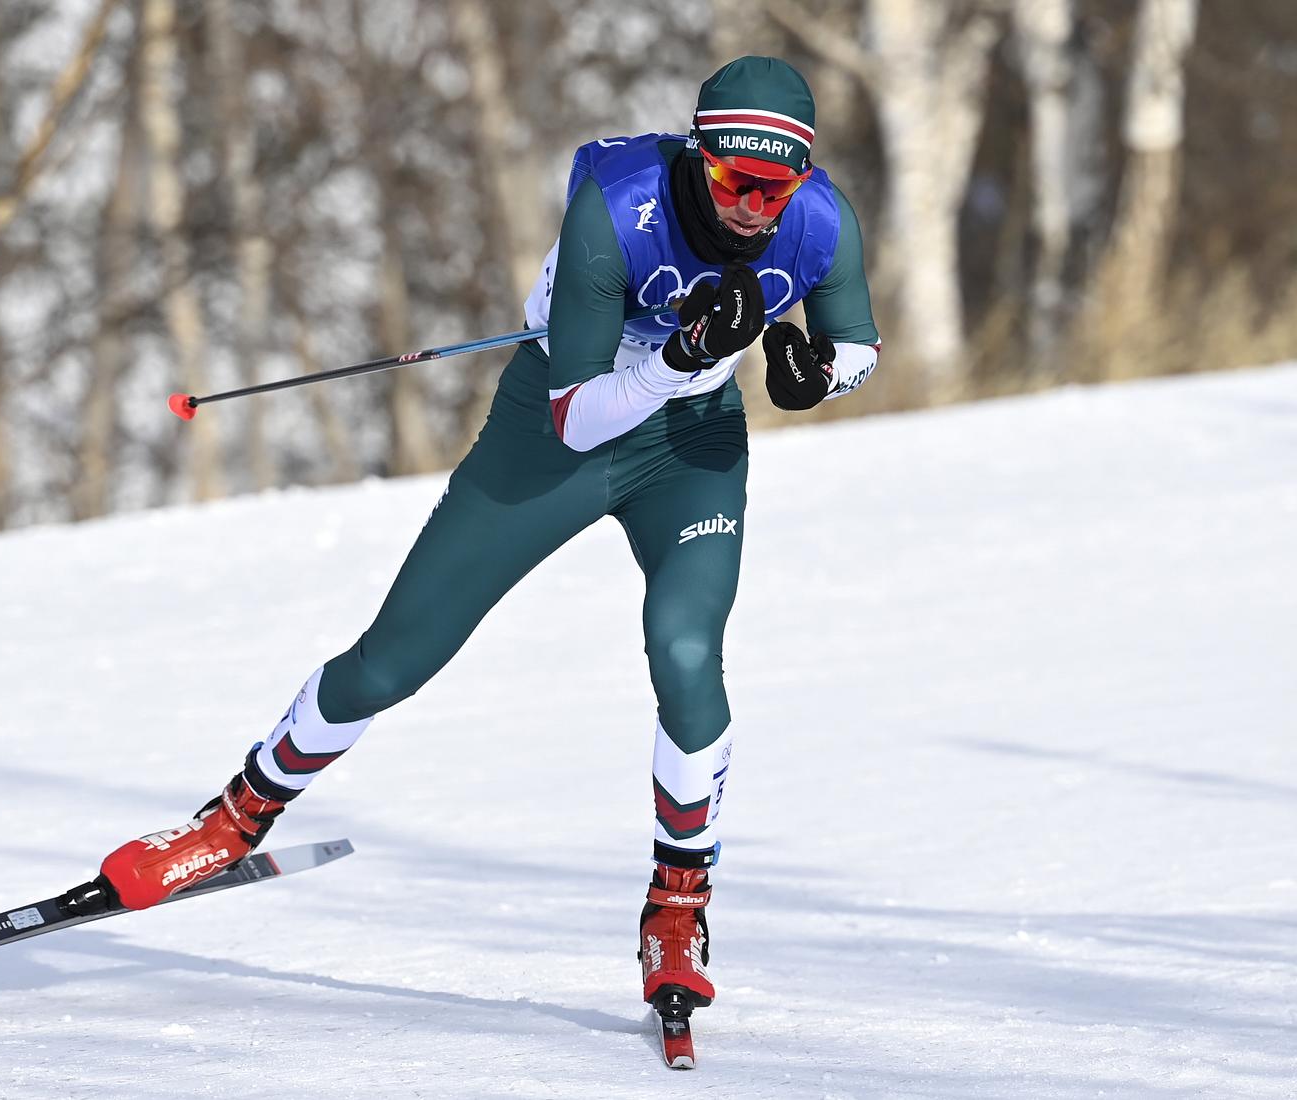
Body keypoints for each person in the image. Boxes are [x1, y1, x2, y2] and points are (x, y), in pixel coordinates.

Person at [99, 56, 880, 1018]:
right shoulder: (616, 210)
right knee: (395, 660)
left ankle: (678, 905)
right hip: (558, 426)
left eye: (775, 187)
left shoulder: (820, 219)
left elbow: (859, 343)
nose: (754, 208)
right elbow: (578, 421)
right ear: (697, 153)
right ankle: (236, 816)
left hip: (692, 447)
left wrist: (816, 376)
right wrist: (678, 358)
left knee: (686, 653)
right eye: (733, 181)